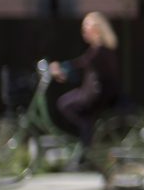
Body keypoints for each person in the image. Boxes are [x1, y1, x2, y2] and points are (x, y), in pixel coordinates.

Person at [51, 12, 123, 147]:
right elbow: (83, 68)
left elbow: (82, 63)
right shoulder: (99, 48)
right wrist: (64, 72)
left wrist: (60, 67)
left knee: (65, 104)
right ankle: (86, 135)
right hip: (94, 93)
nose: (83, 30)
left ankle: (87, 137)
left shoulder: (100, 50)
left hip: (97, 95)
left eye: (86, 26)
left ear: (96, 29)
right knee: (68, 104)